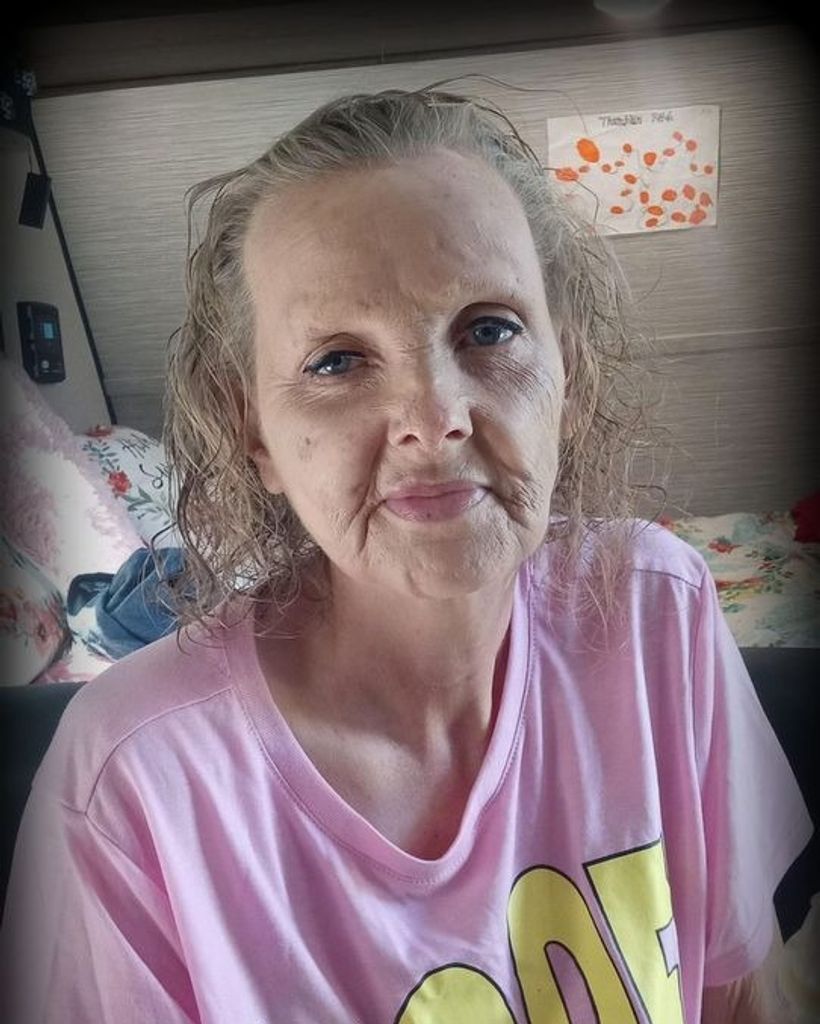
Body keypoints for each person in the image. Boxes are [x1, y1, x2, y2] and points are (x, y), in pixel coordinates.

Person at [0, 86, 812, 1023]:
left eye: (489, 330)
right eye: (337, 361)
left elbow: (740, 993)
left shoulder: (657, 608)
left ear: (570, 376)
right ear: (253, 432)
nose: (433, 418)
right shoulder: (132, 782)